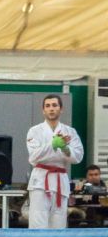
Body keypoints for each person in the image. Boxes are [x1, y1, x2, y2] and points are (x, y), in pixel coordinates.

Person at [26, 94, 84, 229]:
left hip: (60, 180)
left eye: (54, 105)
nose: (51, 108)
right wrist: (52, 144)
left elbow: (78, 157)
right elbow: (33, 157)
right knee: (38, 221)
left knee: (59, 222)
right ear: (43, 110)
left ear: (61, 109)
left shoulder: (70, 132)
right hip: (40, 181)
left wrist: (65, 149)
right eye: (47, 106)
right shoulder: (34, 131)